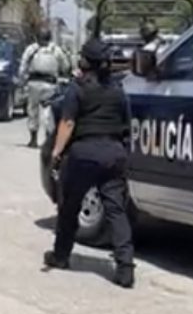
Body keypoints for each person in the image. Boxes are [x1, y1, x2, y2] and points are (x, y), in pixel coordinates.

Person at [45, 38, 136, 288]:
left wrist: (56, 153)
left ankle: (61, 256)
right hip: (114, 153)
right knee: (116, 210)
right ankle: (125, 267)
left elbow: (68, 123)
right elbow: (127, 124)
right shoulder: (118, 89)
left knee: (69, 206)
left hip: (84, 153)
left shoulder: (78, 88)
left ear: (85, 61)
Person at [19, 27, 71, 147]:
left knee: (33, 111)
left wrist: (22, 81)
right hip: (49, 84)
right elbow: (65, 66)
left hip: (34, 84)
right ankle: (47, 139)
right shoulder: (56, 50)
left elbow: (23, 66)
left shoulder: (31, 49)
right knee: (47, 113)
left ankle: (34, 139)